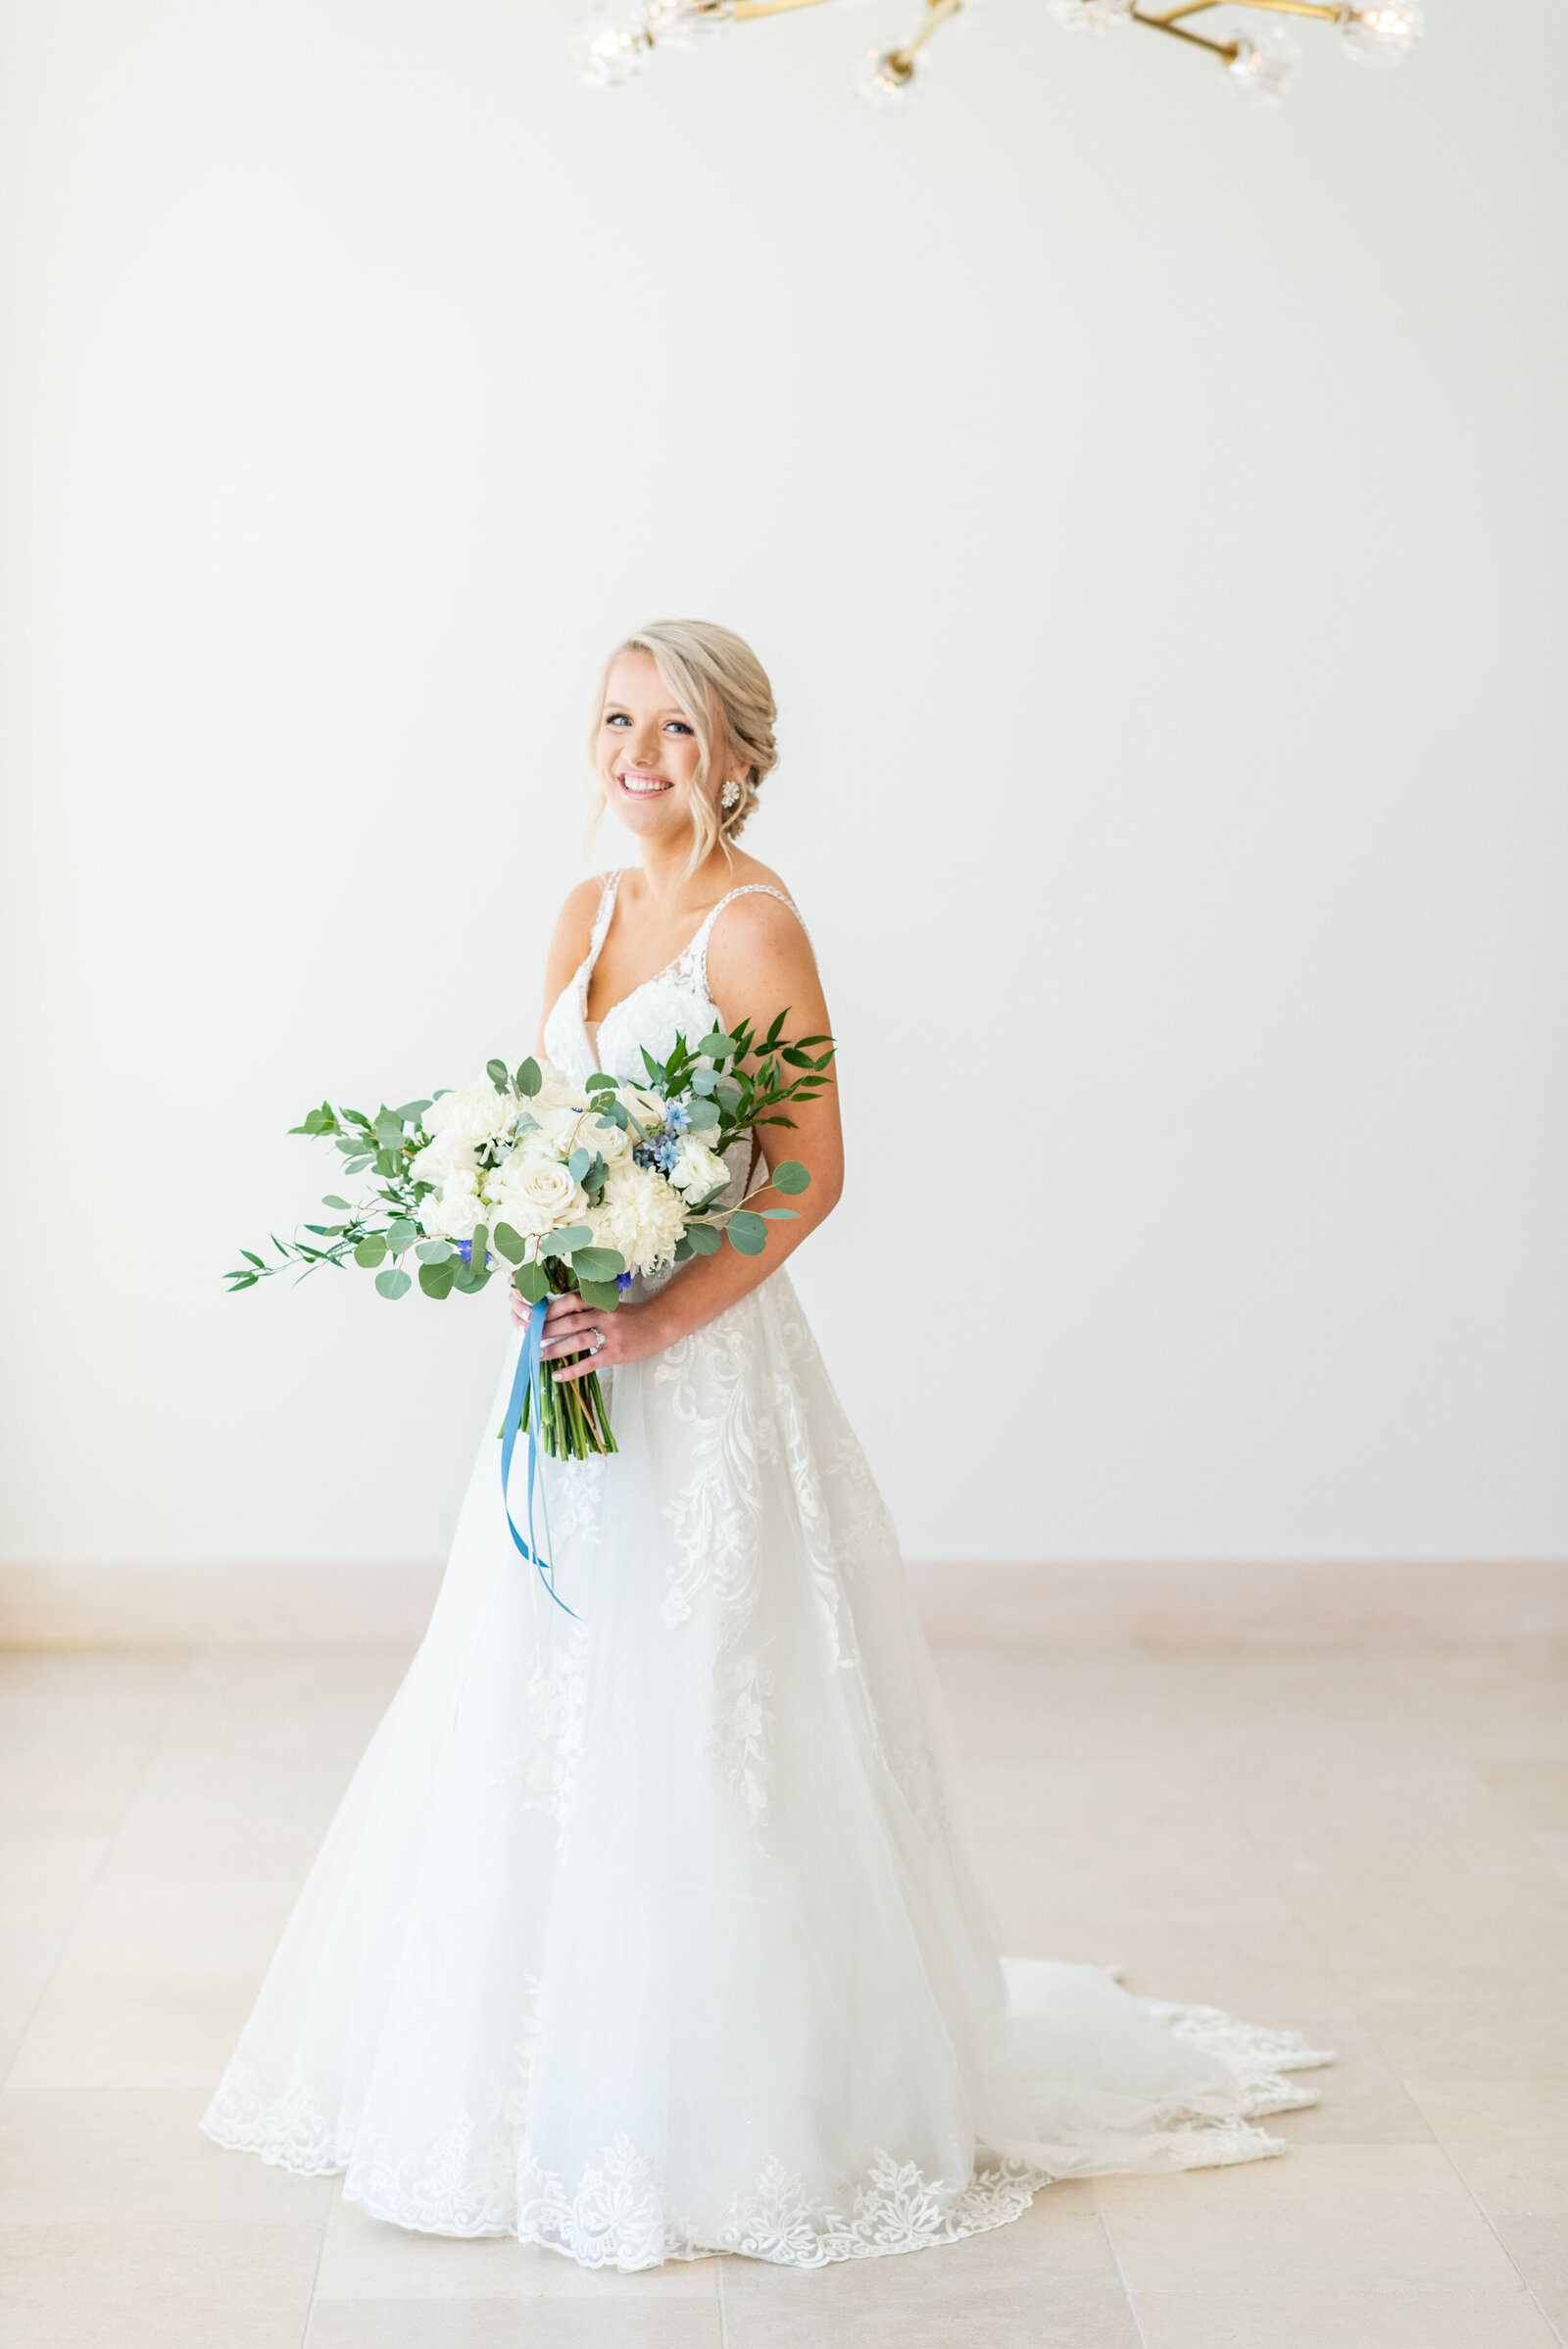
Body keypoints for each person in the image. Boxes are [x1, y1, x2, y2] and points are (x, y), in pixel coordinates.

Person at [203, 618, 1329, 2269]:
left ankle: (734, 2100)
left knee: (707, 1714)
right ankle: (523, 2083)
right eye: (614, 718)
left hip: (706, 1373)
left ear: (735, 754)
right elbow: (552, 1131)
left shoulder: (753, 925)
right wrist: (539, 1248)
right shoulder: (582, 913)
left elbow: (808, 1170)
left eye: (674, 726)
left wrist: (660, 1316)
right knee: (536, 1702)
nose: (636, 752)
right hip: (574, 1375)